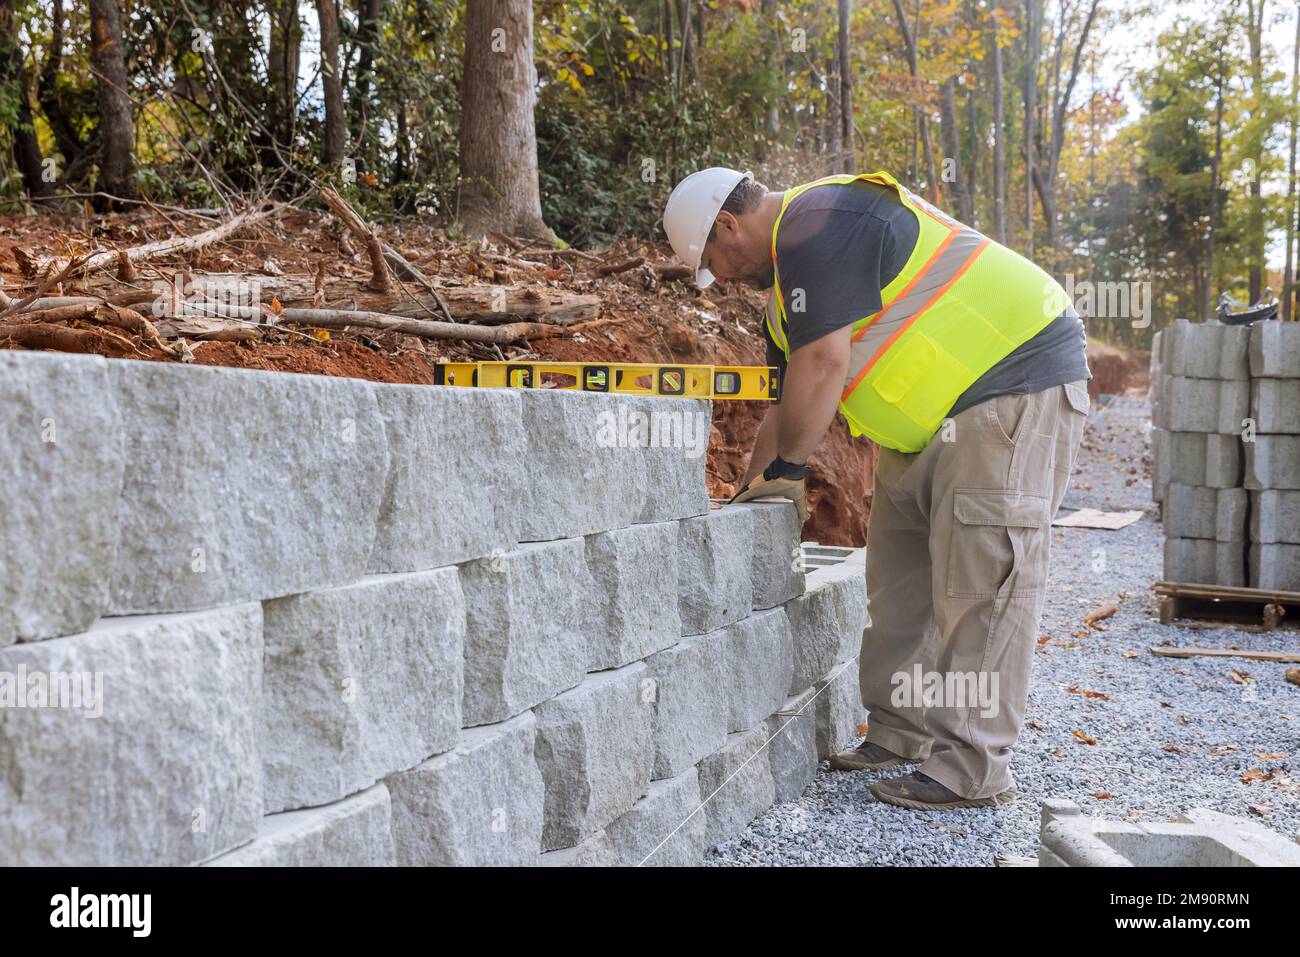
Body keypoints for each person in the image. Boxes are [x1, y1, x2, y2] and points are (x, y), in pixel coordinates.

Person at [662, 168, 1091, 810]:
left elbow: (826, 364)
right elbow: (786, 405)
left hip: (1011, 383)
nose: (719, 279)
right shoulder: (787, 296)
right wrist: (751, 493)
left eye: (713, 263)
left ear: (727, 226)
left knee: (981, 585)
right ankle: (901, 732)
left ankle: (969, 767)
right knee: (900, 583)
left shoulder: (821, 222)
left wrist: (791, 471)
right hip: (925, 428)